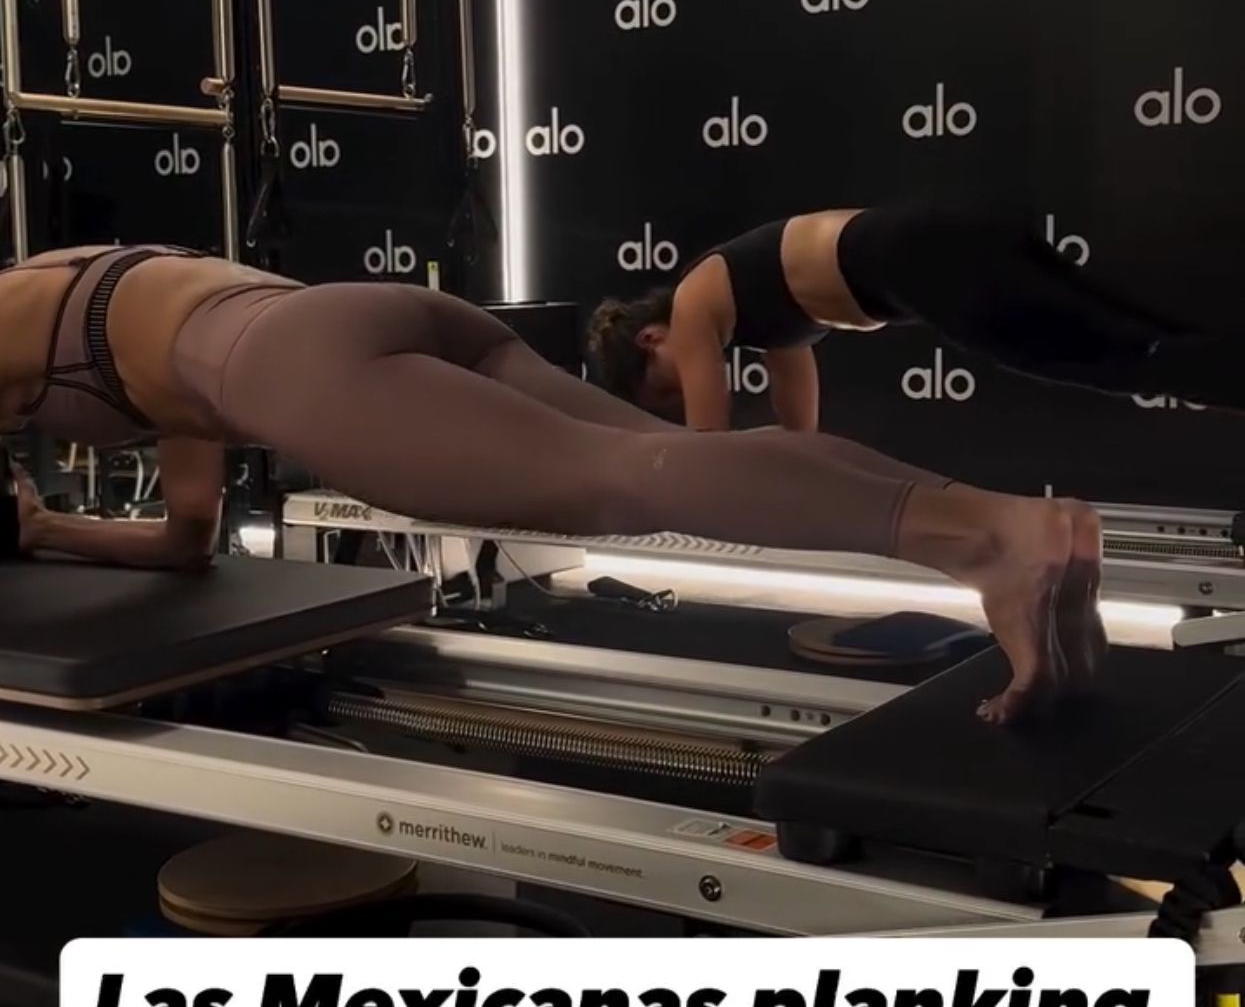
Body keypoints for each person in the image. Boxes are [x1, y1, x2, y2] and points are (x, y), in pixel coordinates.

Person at [0, 242, 1103, 726]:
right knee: (681, 464)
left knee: (631, 482)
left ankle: (985, 542)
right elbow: (186, 540)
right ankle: (1011, 526)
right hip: (367, 315)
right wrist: (49, 527)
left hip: (295, 364)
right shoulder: (100, 308)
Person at [586, 205, 1245, 431]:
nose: (685, 392)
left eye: (665, 387)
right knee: (1122, 334)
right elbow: (800, 435)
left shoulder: (696, 300)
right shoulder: (758, 320)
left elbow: (705, 441)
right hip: (932, 251)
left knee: (1099, 355)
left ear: (652, 337)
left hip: (923, 257)